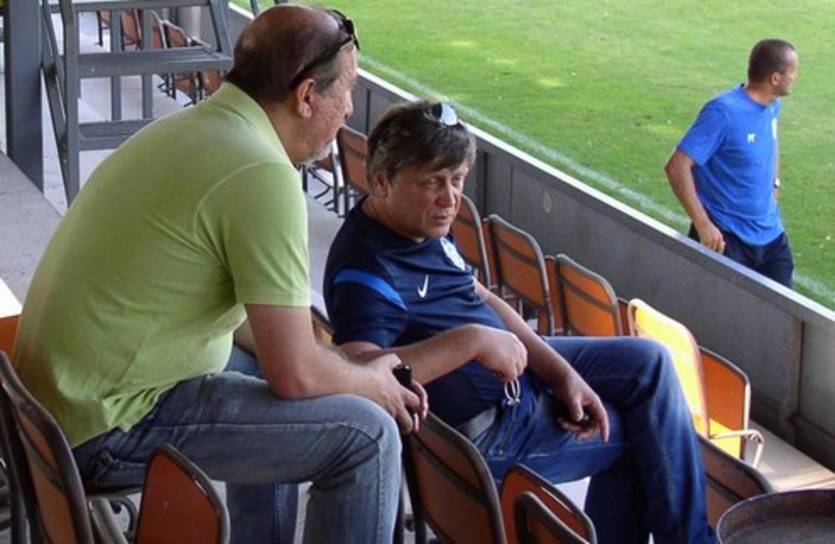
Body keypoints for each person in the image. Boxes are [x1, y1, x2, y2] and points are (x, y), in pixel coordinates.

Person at [13, 6, 426, 543]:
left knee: (273, 374)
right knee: (368, 437)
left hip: (51, 409)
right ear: (307, 96)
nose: (349, 109)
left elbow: (272, 344)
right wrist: (369, 383)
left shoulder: (195, 129)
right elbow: (296, 374)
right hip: (102, 429)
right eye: (346, 90)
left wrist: (336, 367)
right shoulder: (262, 172)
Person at [324, 101, 715, 544]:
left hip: (516, 372)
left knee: (650, 362)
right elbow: (360, 373)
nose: (450, 198)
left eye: (457, 179)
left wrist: (562, 374)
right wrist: (473, 342)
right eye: (432, 182)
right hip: (491, 430)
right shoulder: (367, 270)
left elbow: (482, 296)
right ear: (381, 182)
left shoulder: (417, 223)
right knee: (639, 442)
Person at [665, 39, 799, 287]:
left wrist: (775, 184)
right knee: (719, 309)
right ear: (775, 78)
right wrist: (703, 224)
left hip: (770, 235)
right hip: (727, 238)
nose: (796, 77)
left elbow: (771, 142)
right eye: (793, 72)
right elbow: (677, 166)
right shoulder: (723, 112)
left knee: (782, 308)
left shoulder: (772, 106)